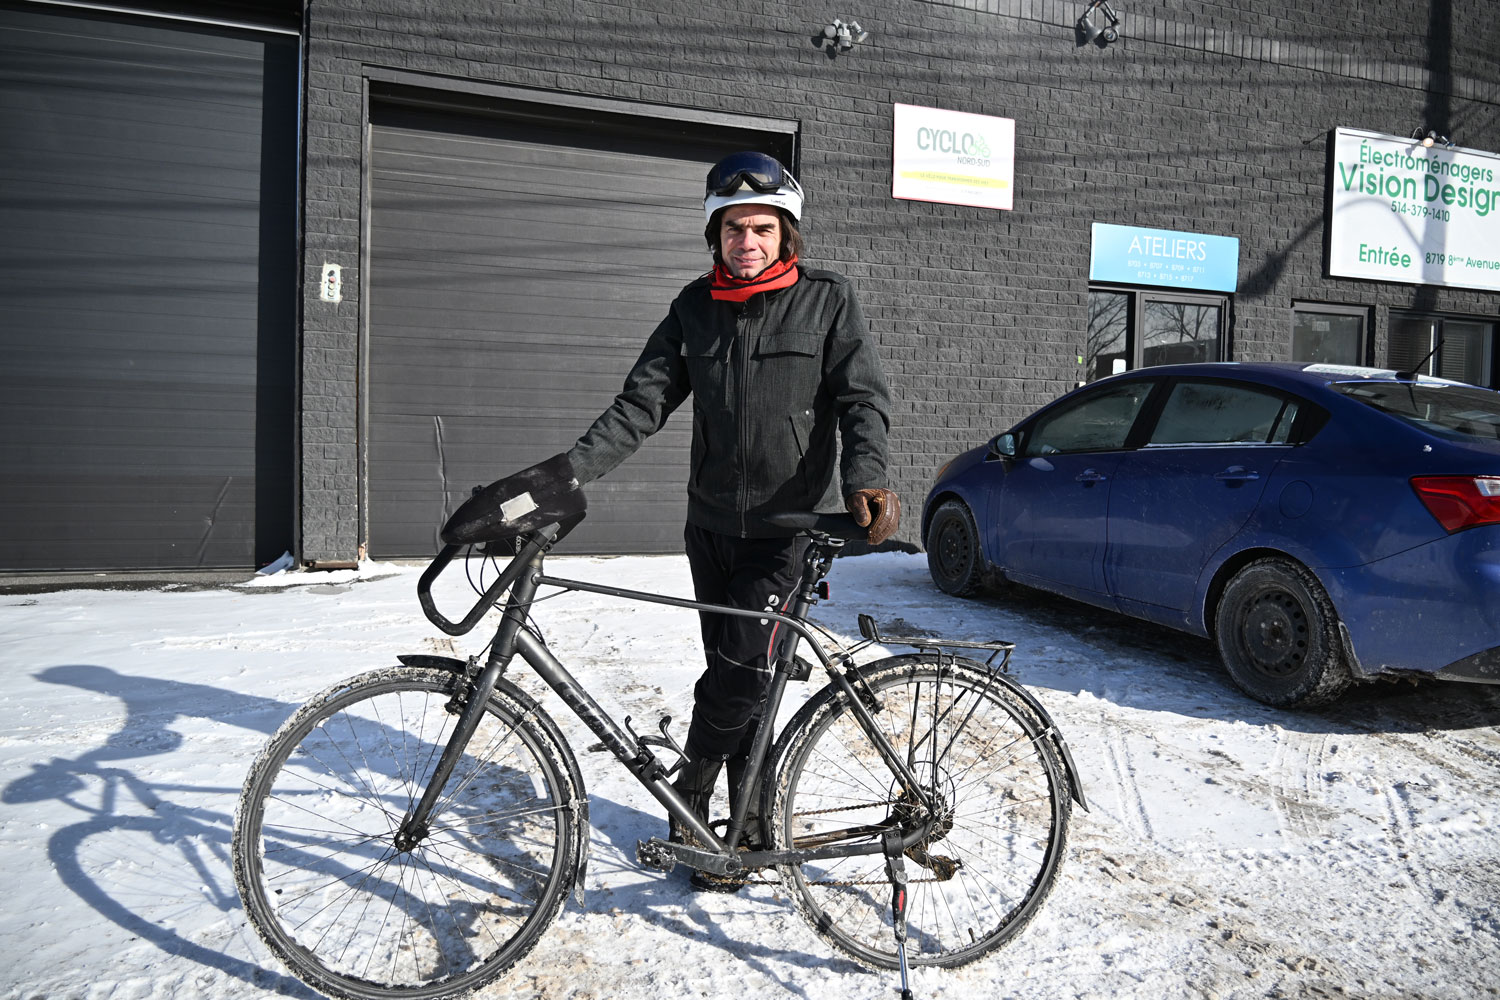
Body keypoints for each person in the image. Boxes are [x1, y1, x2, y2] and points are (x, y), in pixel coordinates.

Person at [565, 150, 899, 890]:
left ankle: (692, 794)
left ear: (786, 233)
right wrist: (570, 472)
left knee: (742, 675)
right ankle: (746, 828)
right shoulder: (693, 308)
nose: (746, 241)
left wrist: (865, 477)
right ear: (714, 236)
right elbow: (641, 403)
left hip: (785, 532)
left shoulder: (827, 301)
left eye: (761, 227)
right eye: (731, 228)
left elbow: (862, 400)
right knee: (738, 674)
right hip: (709, 527)